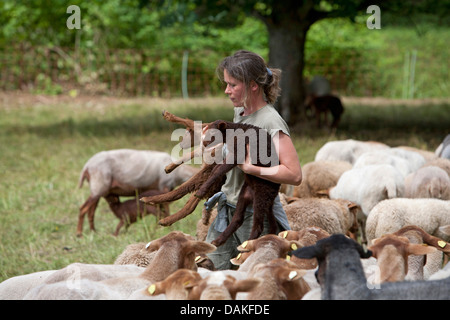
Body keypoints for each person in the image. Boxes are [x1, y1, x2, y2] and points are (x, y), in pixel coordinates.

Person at [204, 50, 303, 270]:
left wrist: (252, 168)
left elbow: (294, 174)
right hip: (229, 207)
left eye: (232, 85)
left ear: (253, 85)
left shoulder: (270, 121)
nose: (226, 90)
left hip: (255, 215)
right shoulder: (240, 111)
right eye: (227, 84)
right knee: (211, 271)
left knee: (258, 277)